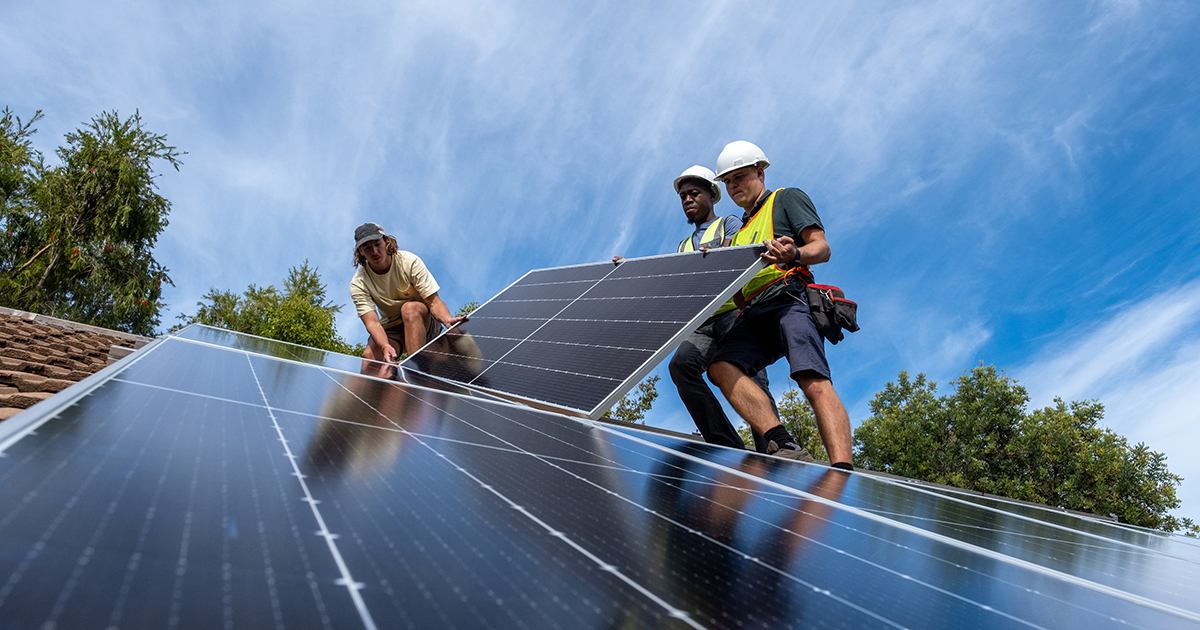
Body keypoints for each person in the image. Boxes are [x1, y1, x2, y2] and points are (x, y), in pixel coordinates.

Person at [706, 141, 854, 469]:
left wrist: (795, 254)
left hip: (790, 298)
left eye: (740, 177)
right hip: (754, 312)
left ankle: (843, 469)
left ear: (760, 173)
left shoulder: (785, 199)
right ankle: (781, 442)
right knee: (720, 366)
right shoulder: (738, 234)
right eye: (727, 182)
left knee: (811, 379)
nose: (733, 186)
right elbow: (738, 290)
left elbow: (822, 247)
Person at [664, 166, 776, 452]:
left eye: (694, 194)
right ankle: (726, 446)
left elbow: (740, 254)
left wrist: (719, 256)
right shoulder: (683, 245)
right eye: (683, 196)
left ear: (711, 196)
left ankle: (774, 449)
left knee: (750, 377)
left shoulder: (729, 223)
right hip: (702, 322)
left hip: (733, 314)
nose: (687, 199)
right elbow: (674, 284)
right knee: (681, 365)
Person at [349, 222, 466, 367]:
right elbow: (372, 322)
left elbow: (433, 301)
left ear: (386, 242)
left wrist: (447, 319)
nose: (374, 251)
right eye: (367, 248)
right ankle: (378, 388)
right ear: (360, 251)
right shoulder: (359, 282)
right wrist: (385, 346)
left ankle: (416, 369)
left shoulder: (409, 262)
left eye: (377, 244)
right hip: (393, 325)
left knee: (409, 309)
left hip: (423, 319)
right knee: (370, 357)